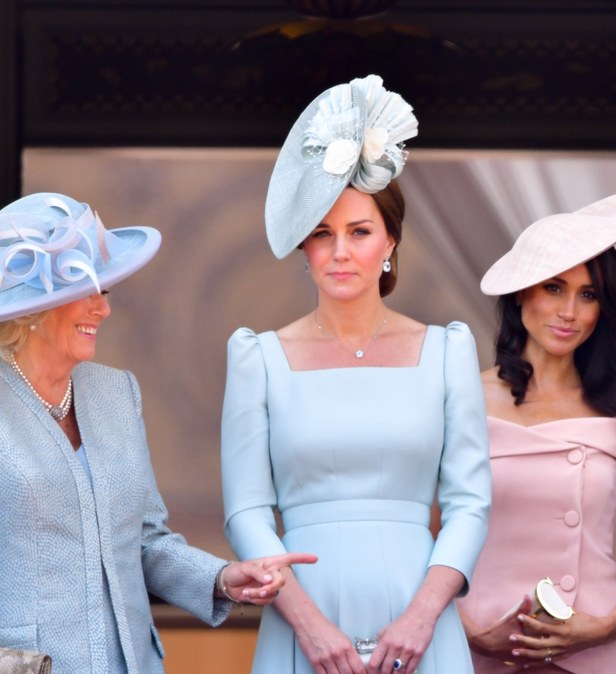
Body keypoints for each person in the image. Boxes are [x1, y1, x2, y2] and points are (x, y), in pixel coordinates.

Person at [222, 75, 491, 674]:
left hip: (423, 620)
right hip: (301, 618)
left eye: (359, 231)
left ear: (390, 241)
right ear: (305, 249)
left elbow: (469, 503)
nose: (340, 251)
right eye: (322, 234)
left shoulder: (447, 351)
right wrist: (309, 624)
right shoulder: (257, 359)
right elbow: (245, 513)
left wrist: (423, 617)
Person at [0, 192, 315, 674]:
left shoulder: (116, 393)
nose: (102, 310)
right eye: (86, 292)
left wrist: (224, 578)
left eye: (102, 292)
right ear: (33, 307)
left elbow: (145, 542)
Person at [456, 186, 616, 673]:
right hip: (477, 654)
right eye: (554, 287)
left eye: (588, 294)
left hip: (596, 655)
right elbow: (424, 549)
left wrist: (600, 628)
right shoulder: (462, 400)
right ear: (521, 292)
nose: (569, 311)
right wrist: (470, 632)